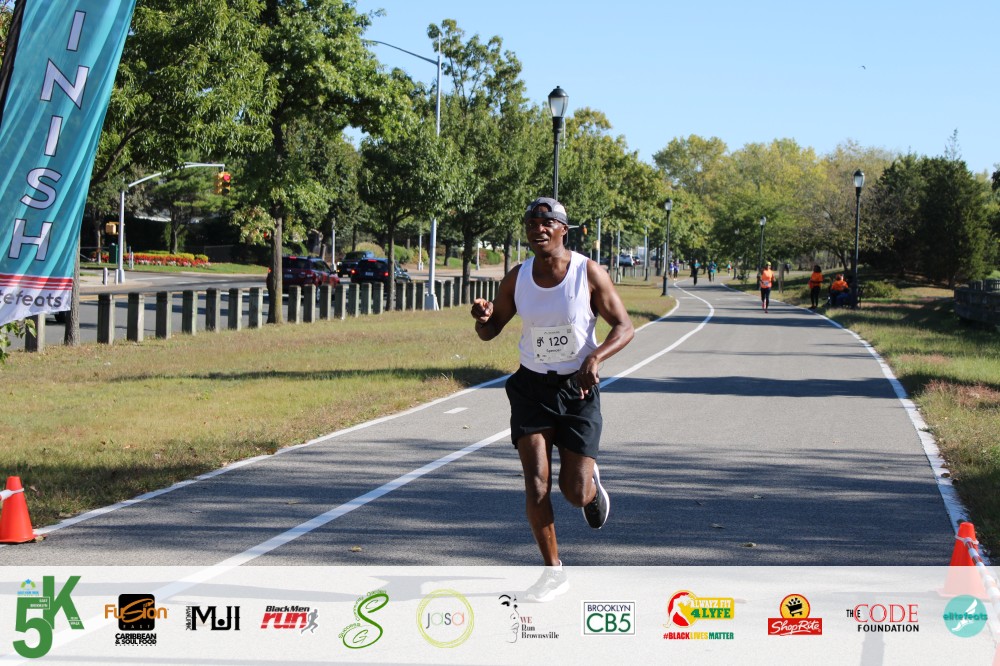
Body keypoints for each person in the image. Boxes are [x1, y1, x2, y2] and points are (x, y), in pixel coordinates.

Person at [470, 196, 634, 602]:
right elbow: (490, 332)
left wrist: (595, 357)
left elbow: (624, 326)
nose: (538, 229)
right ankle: (553, 572)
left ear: (563, 229)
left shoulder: (587, 273)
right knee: (536, 482)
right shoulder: (518, 277)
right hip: (531, 388)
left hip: (577, 389)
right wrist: (483, 318)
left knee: (573, 492)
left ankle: (591, 487)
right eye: (531, 223)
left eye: (547, 222)